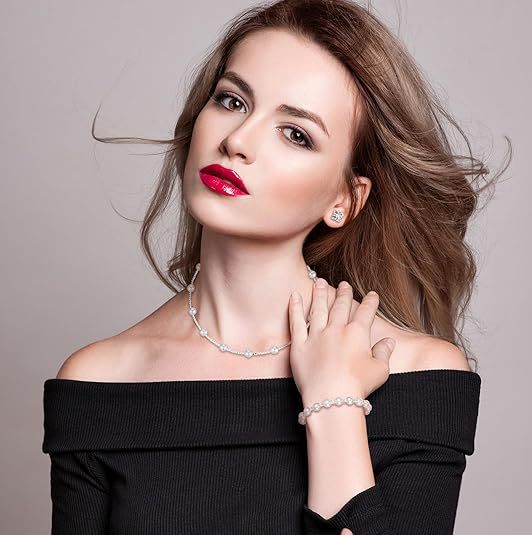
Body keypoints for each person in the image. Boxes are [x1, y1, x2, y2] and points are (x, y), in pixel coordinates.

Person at [42, 0, 507, 533]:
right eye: (232, 101)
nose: (236, 141)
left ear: (345, 199)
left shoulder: (415, 375)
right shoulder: (101, 382)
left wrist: (335, 406)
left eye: (296, 134)